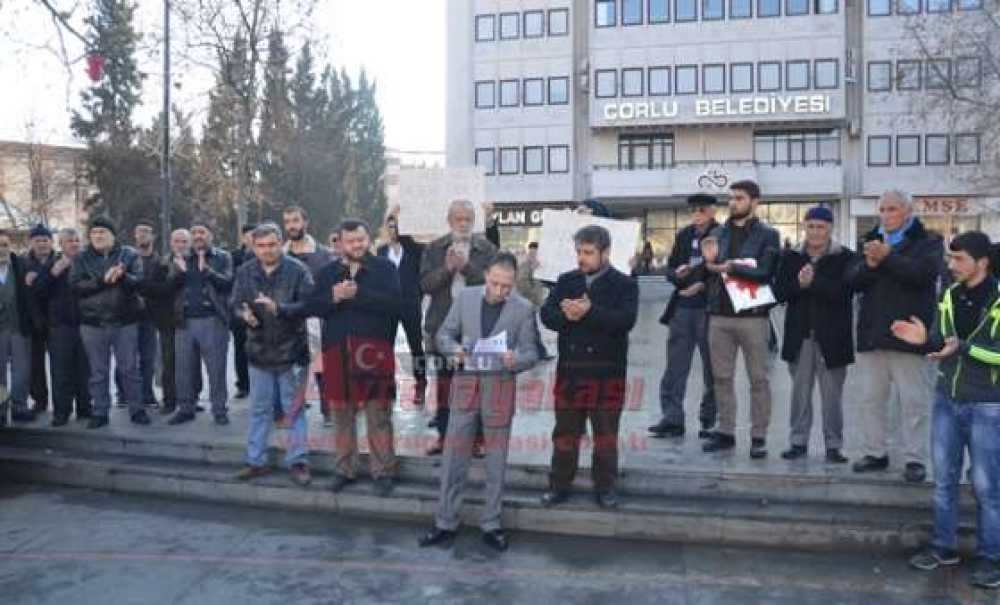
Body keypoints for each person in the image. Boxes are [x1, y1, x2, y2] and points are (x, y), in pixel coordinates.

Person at [893, 231, 1000, 589]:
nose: (951, 265)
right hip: (947, 399)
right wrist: (926, 340)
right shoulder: (950, 294)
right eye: (950, 259)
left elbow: (987, 351)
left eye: (959, 260)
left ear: (981, 263)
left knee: (988, 488)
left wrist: (963, 348)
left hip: (989, 404)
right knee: (944, 482)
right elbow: (944, 339)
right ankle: (943, 546)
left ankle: (991, 558)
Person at [417, 252, 539, 552]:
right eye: (495, 284)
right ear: (486, 276)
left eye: (506, 287)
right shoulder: (467, 298)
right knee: (453, 460)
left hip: (500, 386)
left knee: (496, 462)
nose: (499, 291)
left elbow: (532, 353)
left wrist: (516, 360)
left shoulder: (523, 309)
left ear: (514, 283)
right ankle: (445, 522)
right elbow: (443, 334)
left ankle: (492, 524)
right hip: (465, 385)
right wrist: (455, 350)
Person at [540, 225, 639, 509]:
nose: (581, 258)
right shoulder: (566, 280)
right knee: (565, 434)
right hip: (571, 372)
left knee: (606, 435)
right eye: (579, 252)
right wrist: (565, 314)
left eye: (588, 252)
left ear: (605, 252)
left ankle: (605, 487)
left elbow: (625, 320)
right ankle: (559, 485)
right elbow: (546, 315)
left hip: (607, 373)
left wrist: (590, 312)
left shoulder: (624, 284)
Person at [848, 189, 943, 483]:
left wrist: (887, 257)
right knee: (870, 400)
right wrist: (869, 265)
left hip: (909, 336)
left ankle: (914, 458)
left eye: (893, 209)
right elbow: (851, 281)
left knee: (914, 402)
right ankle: (875, 453)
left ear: (907, 212)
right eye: (883, 209)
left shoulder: (929, 242)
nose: (886, 215)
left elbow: (922, 275)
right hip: (872, 335)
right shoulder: (868, 241)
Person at [308, 219, 402, 497]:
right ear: (340, 242)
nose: (357, 245)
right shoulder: (327, 273)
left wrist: (359, 294)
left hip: (375, 353)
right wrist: (333, 297)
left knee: (378, 415)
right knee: (341, 416)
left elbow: (396, 306)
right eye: (351, 241)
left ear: (368, 238)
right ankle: (344, 469)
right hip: (337, 352)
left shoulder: (385, 268)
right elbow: (312, 306)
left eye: (361, 239)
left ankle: (383, 471)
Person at [701, 180, 781, 459]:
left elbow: (766, 273)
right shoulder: (718, 233)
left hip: (753, 317)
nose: (733, 202)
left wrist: (731, 267)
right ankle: (726, 431)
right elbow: (707, 269)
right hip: (719, 314)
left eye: (740, 198)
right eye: (731, 198)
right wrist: (703, 266)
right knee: (721, 378)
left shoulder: (769, 235)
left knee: (758, 379)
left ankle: (759, 436)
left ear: (754, 201)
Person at [232, 223, 315, 487]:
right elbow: (234, 303)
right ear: (253, 247)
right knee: (259, 409)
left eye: (271, 245)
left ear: (280, 243)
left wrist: (279, 308)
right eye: (261, 246)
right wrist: (243, 314)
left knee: (294, 409)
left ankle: (298, 460)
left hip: (291, 352)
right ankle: (255, 461)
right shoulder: (245, 271)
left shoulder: (297, 270)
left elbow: (309, 304)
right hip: (258, 352)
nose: (267, 250)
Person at [772, 206, 856, 463]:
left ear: (830, 228)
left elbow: (845, 293)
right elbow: (780, 293)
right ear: (804, 227)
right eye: (811, 226)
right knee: (799, 394)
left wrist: (814, 283)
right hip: (800, 337)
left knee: (832, 397)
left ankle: (834, 445)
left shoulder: (846, 257)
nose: (816, 232)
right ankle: (798, 442)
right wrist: (799, 285)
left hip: (833, 338)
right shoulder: (790, 257)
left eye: (821, 226)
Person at [420, 199, 497, 455]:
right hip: (443, 328)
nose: (463, 224)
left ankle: (477, 439)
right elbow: (425, 284)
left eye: (468, 219)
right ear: (449, 220)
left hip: (476, 328)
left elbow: (495, 285)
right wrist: (447, 269)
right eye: (458, 219)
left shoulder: (486, 248)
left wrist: (466, 267)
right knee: (444, 386)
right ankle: (443, 437)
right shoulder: (434, 248)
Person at [649, 194, 719, 439]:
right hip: (682, 308)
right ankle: (672, 418)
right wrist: (677, 274)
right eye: (693, 210)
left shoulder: (722, 235)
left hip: (709, 309)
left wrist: (702, 285)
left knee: (713, 368)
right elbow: (669, 269)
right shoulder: (684, 235)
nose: (697, 215)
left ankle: (710, 420)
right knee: (675, 366)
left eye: (702, 210)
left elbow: (727, 272)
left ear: (712, 211)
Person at [70, 216, 147, 428]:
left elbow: (139, 282)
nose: (98, 236)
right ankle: (100, 412)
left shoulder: (129, 254)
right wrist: (102, 280)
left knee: (130, 369)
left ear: (113, 236)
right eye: (94, 233)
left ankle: (137, 409)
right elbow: (76, 286)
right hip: (92, 323)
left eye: (102, 232)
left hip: (125, 322)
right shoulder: (81, 258)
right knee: (98, 371)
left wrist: (122, 276)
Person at [169, 221, 234, 426]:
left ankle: (219, 409)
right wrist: (178, 271)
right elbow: (169, 287)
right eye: (194, 232)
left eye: (202, 232)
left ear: (210, 235)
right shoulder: (181, 258)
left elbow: (228, 283)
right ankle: (186, 408)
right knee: (183, 368)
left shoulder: (222, 257)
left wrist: (207, 270)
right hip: (184, 321)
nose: (198, 236)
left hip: (212, 319)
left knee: (216, 368)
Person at [33, 228, 91, 426]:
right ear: (61, 244)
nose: (74, 244)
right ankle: (61, 412)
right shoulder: (52, 263)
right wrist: (53, 273)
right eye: (69, 241)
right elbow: (38, 291)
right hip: (60, 327)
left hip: (85, 324)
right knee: (61, 371)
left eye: (76, 240)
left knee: (85, 370)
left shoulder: (87, 262)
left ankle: (85, 409)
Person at [283, 206, 333, 425]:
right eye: (287, 222)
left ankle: (329, 410)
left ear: (305, 223)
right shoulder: (280, 254)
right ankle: (291, 410)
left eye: (295, 220)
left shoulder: (323, 254)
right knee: (290, 369)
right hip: (287, 319)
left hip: (315, 320)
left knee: (323, 368)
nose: (291, 226)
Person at [377, 208, 428, 407]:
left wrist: (417, 295)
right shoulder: (381, 252)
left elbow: (422, 275)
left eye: (396, 226)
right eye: (390, 226)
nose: (393, 230)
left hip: (410, 304)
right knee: (385, 348)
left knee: (416, 346)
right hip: (388, 307)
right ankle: (388, 386)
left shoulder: (415, 249)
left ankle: (421, 384)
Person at [141, 229, 190, 417]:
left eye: (184, 241)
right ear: (171, 243)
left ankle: (190, 398)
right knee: (168, 362)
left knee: (190, 363)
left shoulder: (197, 261)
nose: (180, 245)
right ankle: (169, 400)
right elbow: (152, 290)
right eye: (177, 241)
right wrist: (175, 280)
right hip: (168, 320)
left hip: (191, 318)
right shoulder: (160, 263)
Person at [0, 230, 36, 424]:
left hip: (19, 326)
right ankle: (0, 409)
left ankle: (19, 407)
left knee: (21, 369)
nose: (2, 249)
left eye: (5, 245)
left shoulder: (21, 265)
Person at [23, 223, 55, 414]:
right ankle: (39, 400)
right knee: (35, 365)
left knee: (60, 365)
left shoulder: (60, 261)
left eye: (45, 240)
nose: (42, 244)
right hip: (34, 322)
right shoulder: (23, 263)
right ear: (31, 242)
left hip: (57, 321)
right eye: (38, 240)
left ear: (51, 242)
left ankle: (63, 399)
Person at [128, 221, 161, 408]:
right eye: (139, 232)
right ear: (134, 236)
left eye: (146, 232)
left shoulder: (159, 260)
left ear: (153, 236)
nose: (142, 236)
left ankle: (147, 394)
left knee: (148, 358)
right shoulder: (128, 258)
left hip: (150, 317)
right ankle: (124, 394)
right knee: (127, 359)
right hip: (129, 316)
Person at [230, 223, 257, 399]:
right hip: (240, 308)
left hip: (259, 308)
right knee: (240, 348)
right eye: (248, 235)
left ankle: (258, 385)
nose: (251, 238)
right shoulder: (234, 256)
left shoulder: (263, 254)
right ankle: (243, 385)